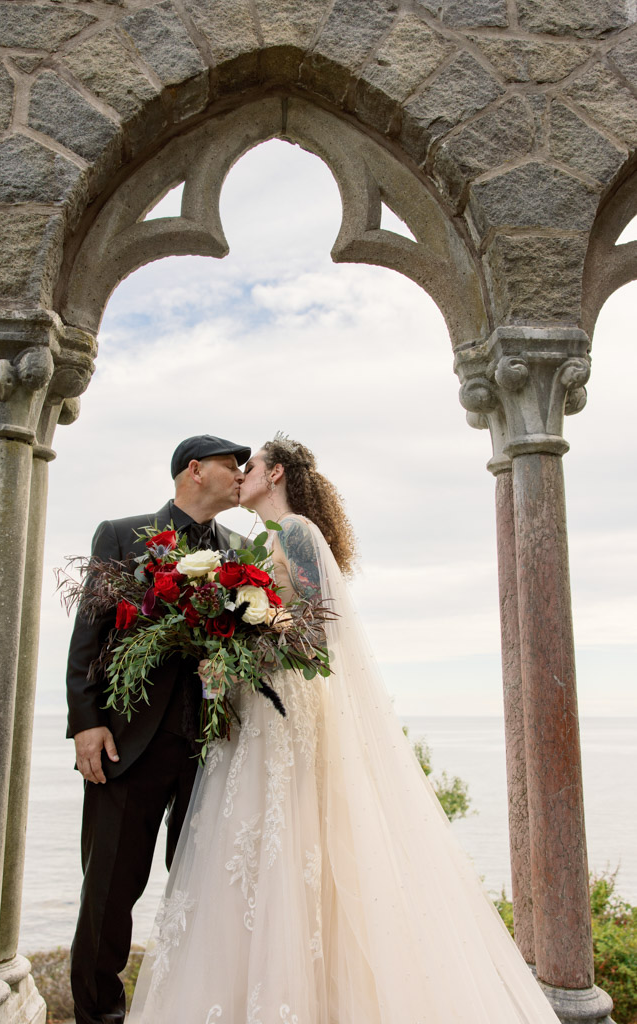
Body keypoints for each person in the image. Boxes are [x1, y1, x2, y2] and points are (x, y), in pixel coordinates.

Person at [128, 436, 564, 1024]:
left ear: (275, 473)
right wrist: (226, 645)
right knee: (243, 855)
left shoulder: (298, 533)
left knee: (287, 846)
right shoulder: (258, 542)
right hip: (252, 712)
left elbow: (316, 634)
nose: (241, 476)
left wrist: (250, 636)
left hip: (285, 710)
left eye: (250, 466)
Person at [66, 433, 250, 1024]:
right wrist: (86, 724)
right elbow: (89, 637)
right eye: (231, 464)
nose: (242, 473)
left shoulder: (243, 551)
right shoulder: (122, 536)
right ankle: (100, 1017)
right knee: (109, 899)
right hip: (128, 745)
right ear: (194, 470)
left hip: (213, 749)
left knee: (201, 894)